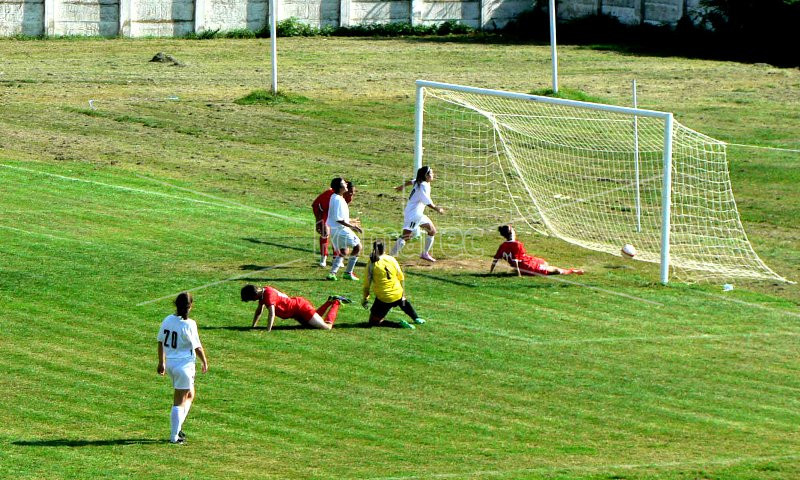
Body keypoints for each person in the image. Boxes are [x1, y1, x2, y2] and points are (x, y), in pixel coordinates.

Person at [156, 292, 208, 445]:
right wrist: (204, 361)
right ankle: (174, 436)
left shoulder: (167, 320)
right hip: (184, 366)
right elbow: (197, 346)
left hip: (171, 364)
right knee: (179, 401)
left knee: (190, 394)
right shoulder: (189, 324)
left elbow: (160, 341)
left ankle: (177, 428)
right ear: (190, 307)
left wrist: (162, 362)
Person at [362, 240, 426, 329]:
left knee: (373, 321)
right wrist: (403, 293)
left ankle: (399, 324)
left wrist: (365, 298)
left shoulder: (371, 263)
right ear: (384, 249)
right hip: (398, 292)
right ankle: (417, 318)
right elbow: (401, 277)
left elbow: (367, 284)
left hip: (384, 297)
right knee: (403, 301)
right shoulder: (391, 259)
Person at [240, 284, 350, 331]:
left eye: (250, 299)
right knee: (312, 323)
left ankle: (336, 302)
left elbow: (271, 314)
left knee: (327, 327)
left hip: (300, 307)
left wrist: (268, 330)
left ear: (254, 295)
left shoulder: (268, 296)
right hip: (296, 311)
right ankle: (329, 301)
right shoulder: (263, 292)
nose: (252, 301)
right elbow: (259, 311)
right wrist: (253, 326)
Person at [391, 166, 444, 262]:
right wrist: (437, 209)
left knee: (432, 231)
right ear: (426, 175)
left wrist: (401, 186)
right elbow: (427, 202)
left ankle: (425, 253)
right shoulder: (423, 185)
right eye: (431, 173)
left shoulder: (420, 181)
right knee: (406, 237)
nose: (433, 175)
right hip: (413, 215)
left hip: (418, 214)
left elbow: (411, 181)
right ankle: (390, 257)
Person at [490, 225, 584, 277]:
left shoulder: (502, 245)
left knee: (544, 262)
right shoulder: (517, 244)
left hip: (528, 261)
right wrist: (519, 274)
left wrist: (491, 272)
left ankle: (569, 271)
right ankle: (572, 271)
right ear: (512, 233)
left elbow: (495, 260)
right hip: (528, 266)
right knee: (556, 271)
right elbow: (516, 261)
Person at [311, 180, 356, 268]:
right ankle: (323, 257)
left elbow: (341, 212)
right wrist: (318, 221)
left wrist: (349, 220)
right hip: (324, 212)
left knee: (338, 234)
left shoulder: (347, 197)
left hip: (333, 215)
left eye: (353, 193)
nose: (351, 195)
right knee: (325, 233)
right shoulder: (330, 194)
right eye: (351, 192)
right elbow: (316, 205)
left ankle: (336, 258)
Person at [326, 177, 362, 281]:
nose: (346, 185)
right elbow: (338, 219)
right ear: (340, 187)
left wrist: (350, 221)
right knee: (358, 247)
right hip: (340, 229)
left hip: (335, 229)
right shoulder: (337, 199)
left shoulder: (336, 197)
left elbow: (338, 216)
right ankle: (348, 273)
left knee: (344, 251)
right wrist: (352, 226)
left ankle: (332, 274)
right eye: (344, 184)